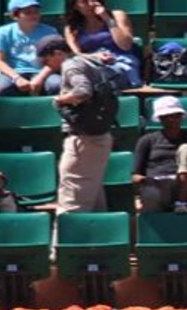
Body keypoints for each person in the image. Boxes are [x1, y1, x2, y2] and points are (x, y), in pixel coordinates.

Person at [36, 35, 114, 214]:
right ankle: (97, 240)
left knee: (71, 203)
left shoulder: (71, 65)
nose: (46, 66)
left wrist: (60, 99)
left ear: (57, 53)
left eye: (47, 60)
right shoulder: (86, 61)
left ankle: (65, 241)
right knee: (94, 200)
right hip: (97, 136)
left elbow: (83, 91)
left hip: (84, 140)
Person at [132, 95, 187, 214]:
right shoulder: (147, 140)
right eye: (166, 116)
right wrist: (146, 180)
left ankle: (181, 202)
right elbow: (136, 174)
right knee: (149, 194)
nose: (172, 119)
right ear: (160, 118)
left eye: (176, 115)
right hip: (159, 185)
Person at [63, 0, 142, 90]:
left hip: (119, 63)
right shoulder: (72, 27)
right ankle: (79, 92)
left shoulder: (117, 15)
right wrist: (94, 57)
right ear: (75, 6)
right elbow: (76, 54)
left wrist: (107, 18)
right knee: (70, 65)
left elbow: (125, 45)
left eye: (94, 0)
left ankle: (79, 92)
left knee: (91, 80)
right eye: (84, 1)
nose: (91, 4)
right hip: (91, 65)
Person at [0, 0, 62, 96]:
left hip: (42, 72)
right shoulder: (3, 32)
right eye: (28, 12)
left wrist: (40, 77)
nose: (34, 15)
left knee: (58, 84)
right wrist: (16, 78)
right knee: (0, 89)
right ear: (15, 15)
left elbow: (56, 60)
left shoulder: (50, 31)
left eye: (36, 12)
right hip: (13, 72)